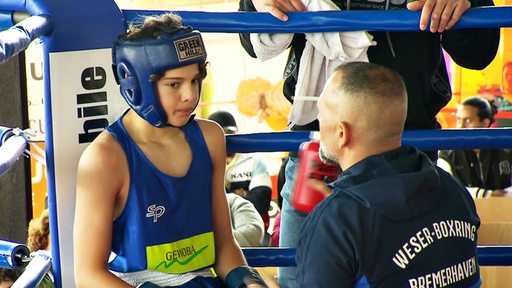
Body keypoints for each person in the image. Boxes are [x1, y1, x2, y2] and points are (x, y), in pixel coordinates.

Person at [238, 0, 500, 286]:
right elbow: (252, 36)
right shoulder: (454, 193)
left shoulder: (451, 194)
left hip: (399, 142)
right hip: (327, 149)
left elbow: (480, 49)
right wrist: (258, 3)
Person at [73, 13, 267, 288]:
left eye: (195, 80)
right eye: (174, 84)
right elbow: (88, 276)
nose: (190, 95)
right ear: (137, 85)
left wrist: (248, 282)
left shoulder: (210, 137)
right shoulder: (106, 158)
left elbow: (224, 245)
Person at [295, 61, 481, 287]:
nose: (318, 121)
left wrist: (248, 279)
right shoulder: (454, 190)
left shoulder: (335, 223)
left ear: (342, 133)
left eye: (321, 113)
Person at [207, 111, 273, 238]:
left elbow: (261, 202)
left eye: (230, 133)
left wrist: (224, 197)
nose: (226, 139)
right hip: (213, 234)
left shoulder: (254, 161)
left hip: (256, 231)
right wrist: (241, 196)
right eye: (220, 134)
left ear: (237, 132)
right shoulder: (201, 163)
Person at [438, 96, 512, 198]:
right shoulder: (447, 154)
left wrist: (505, 195)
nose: (461, 126)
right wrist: (486, 195)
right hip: (462, 212)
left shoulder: (507, 150)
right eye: (459, 120)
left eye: (468, 121)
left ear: (485, 123)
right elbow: (445, 187)